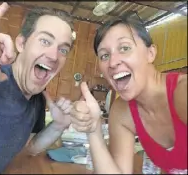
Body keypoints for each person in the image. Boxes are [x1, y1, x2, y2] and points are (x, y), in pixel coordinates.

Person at [0, 3, 75, 174]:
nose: (54, 56)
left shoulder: (37, 100)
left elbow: (30, 148)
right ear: (21, 43)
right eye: (45, 41)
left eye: (63, 49)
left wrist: (58, 126)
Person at [70, 17, 187, 174]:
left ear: (150, 53)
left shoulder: (182, 92)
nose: (112, 62)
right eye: (104, 55)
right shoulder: (122, 112)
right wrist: (93, 130)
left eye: (124, 48)